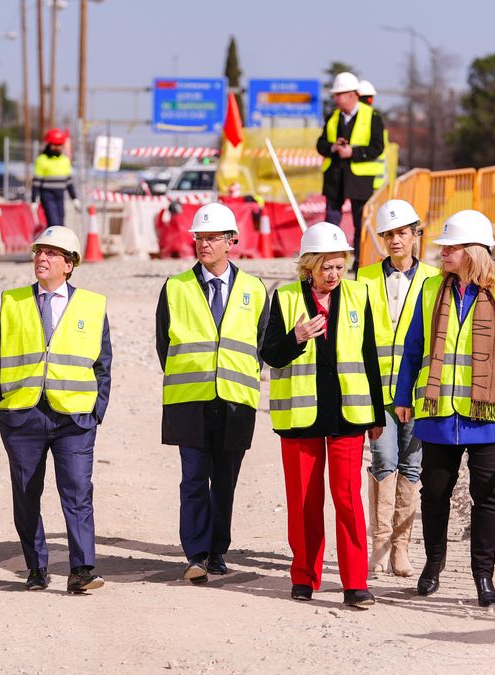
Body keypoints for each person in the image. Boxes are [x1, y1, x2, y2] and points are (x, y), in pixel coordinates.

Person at [392, 209, 495, 607]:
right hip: (439, 414)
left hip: (489, 418)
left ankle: (483, 577)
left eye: (450, 247)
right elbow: (412, 350)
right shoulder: (429, 291)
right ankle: (433, 565)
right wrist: (403, 397)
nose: (442, 253)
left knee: (487, 497)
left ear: (472, 251)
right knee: (435, 492)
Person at [260, 222, 384, 608]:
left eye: (339, 266)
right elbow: (270, 355)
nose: (333, 275)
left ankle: (355, 583)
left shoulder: (359, 295)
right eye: (326, 267)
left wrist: (377, 414)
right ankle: (304, 577)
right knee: (304, 503)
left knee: (348, 500)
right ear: (309, 266)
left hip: (349, 416)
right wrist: (296, 337)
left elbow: (369, 356)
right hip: (300, 419)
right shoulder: (283, 299)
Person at [0, 225, 111, 594]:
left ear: (69, 265)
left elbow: (102, 363)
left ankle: (82, 569)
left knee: (77, 491)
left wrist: (96, 411)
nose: (42, 258)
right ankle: (36, 566)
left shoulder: (92, 305)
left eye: (52, 253)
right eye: (39, 252)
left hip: (74, 416)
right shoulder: (12, 301)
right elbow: (0, 354)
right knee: (26, 494)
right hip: (23, 413)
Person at [154, 203, 269, 584]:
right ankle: (196, 554)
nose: (203, 244)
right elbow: (163, 345)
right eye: (199, 237)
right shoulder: (175, 287)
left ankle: (218, 550)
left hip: (236, 400)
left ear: (231, 241)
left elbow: (261, 345)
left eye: (211, 237)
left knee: (225, 480)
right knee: (193, 479)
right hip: (191, 400)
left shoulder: (254, 289)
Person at [356, 200, 440, 577]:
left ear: (415, 235)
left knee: (411, 465)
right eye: (388, 234)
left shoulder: (435, 280)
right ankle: (380, 544)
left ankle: (401, 550)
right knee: (382, 461)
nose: (395, 241)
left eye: (402, 233)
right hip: (378, 391)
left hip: (419, 392)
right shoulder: (363, 278)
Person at [315, 72, 387, 268]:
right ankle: (327, 262)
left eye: (339, 94)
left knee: (360, 223)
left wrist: (352, 152)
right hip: (335, 177)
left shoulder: (372, 117)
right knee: (331, 220)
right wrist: (333, 147)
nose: (335, 98)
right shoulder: (333, 117)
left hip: (360, 179)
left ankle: (359, 265)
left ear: (352, 95)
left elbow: (377, 147)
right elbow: (320, 144)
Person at [32, 128, 81, 227]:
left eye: (59, 145)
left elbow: (68, 182)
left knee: (60, 223)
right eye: (54, 145)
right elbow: (36, 182)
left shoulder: (65, 160)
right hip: (47, 195)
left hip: (60, 195)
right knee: (53, 222)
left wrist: (74, 198)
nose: (56, 147)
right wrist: (34, 200)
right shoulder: (41, 160)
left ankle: (58, 241)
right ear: (49, 145)